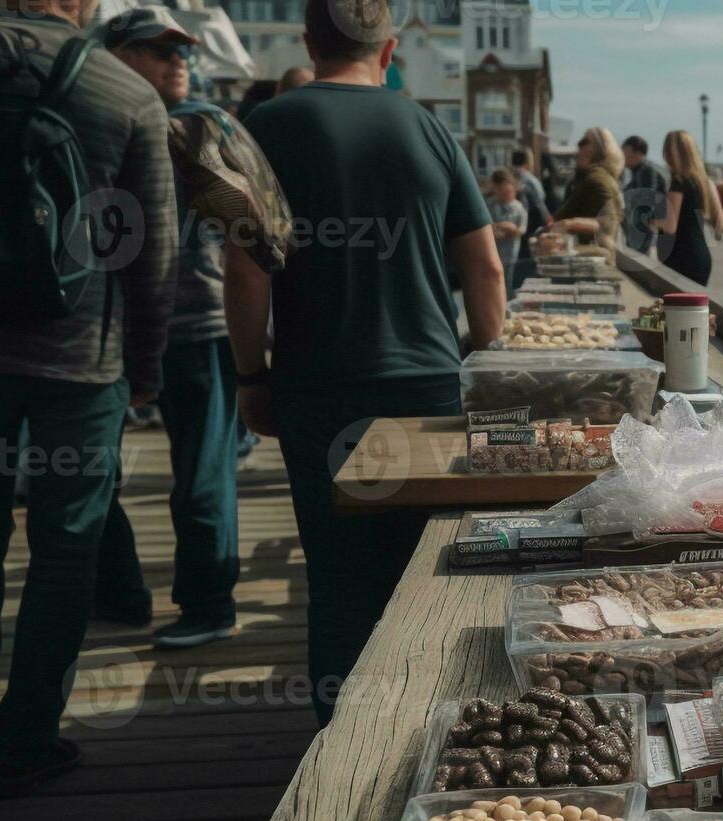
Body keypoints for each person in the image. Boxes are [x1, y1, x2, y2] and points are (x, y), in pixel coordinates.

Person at [232, 0, 505, 725]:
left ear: (308, 43)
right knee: (425, 574)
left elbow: (247, 272)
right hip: (426, 387)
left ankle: (340, 739)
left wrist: (250, 374)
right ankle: (430, 731)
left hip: (318, 388)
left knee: (338, 576)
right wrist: (482, 361)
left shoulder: (268, 127)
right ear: (388, 52)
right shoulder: (425, 126)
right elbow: (484, 270)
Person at [0, 0, 178, 795]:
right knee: (65, 549)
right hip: (81, 358)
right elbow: (151, 249)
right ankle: (25, 739)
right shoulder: (124, 93)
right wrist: (146, 369)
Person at [94, 7, 253, 649]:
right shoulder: (102, 119)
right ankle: (118, 590)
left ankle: (209, 605)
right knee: (87, 474)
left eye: (182, 50)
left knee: (201, 475)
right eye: (158, 50)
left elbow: (259, 225)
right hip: (108, 327)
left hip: (199, 323)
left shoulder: (205, 125)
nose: (178, 60)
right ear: (117, 57)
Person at [651, 130, 723, 286]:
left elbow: (670, 226)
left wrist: (650, 221)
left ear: (670, 154)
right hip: (701, 257)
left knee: (677, 308)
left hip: (680, 258)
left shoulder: (679, 182)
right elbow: (721, 225)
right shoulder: (707, 183)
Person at [552, 127, 625, 251]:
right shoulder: (591, 178)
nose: (578, 147)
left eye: (583, 142)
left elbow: (608, 223)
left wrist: (570, 224)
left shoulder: (598, 180)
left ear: (597, 149)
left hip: (592, 259)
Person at [620, 135, 666, 256]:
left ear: (637, 153)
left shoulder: (647, 173)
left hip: (644, 239)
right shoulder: (638, 173)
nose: (622, 156)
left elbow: (648, 205)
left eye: (625, 151)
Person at [487, 168, 527, 296]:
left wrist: (513, 229)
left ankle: (507, 300)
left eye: (508, 192)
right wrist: (498, 228)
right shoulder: (491, 205)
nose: (505, 196)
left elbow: (522, 229)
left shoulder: (519, 208)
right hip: (493, 252)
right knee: (493, 281)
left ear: (514, 190)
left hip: (511, 252)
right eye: (501, 192)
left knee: (508, 281)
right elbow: (486, 227)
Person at [510, 147, 552, 262]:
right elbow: (539, 204)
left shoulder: (509, 178)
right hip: (529, 224)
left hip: (510, 224)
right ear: (528, 161)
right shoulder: (530, 180)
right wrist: (549, 221)